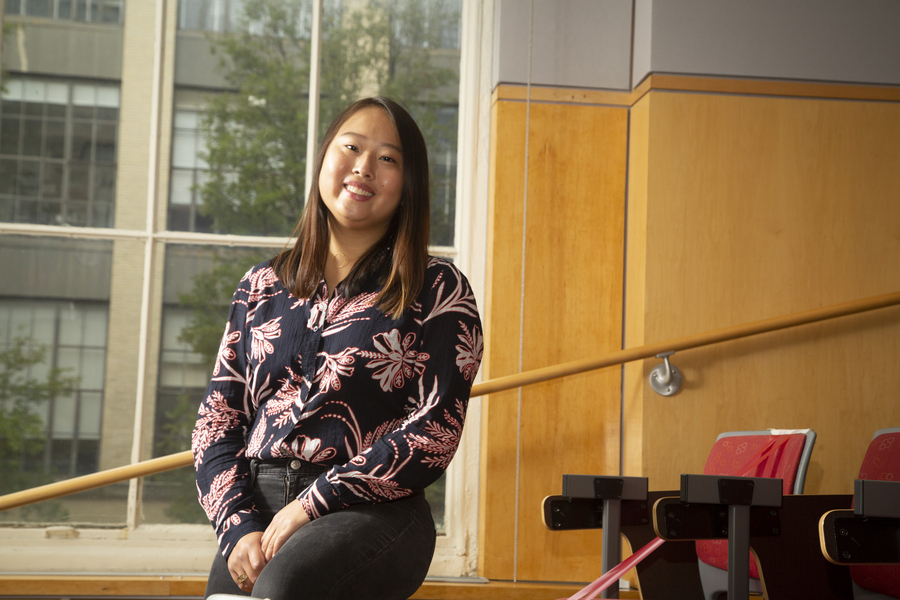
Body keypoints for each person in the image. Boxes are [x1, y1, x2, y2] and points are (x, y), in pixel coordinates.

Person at [192, 96, 483, 600]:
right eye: (351, 147)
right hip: (256, 507)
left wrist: (311, 504)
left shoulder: (439, 290)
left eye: (389, 158)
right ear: (325, 158)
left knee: (284, 588)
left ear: (409, 183)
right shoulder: (260, 285)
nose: (364, 167)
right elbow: (218, 422)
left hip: (373, 510)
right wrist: (236, 525)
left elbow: (435, 430)